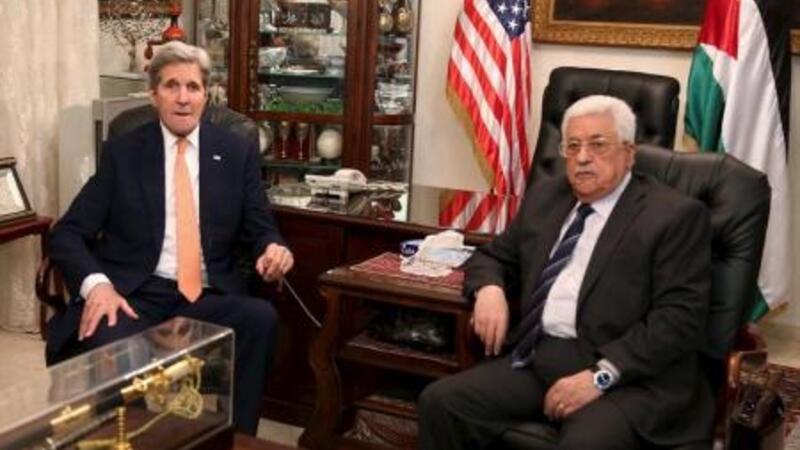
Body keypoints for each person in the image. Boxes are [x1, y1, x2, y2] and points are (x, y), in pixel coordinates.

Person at [418, 95, 714, 449]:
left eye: (598, 145)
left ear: (629, 153)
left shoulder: (673, 216)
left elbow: (678, 320)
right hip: (540, 357)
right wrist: (490, 290)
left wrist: (601, 376)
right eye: (572, 146)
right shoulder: (547, 197)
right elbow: (492, 257)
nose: (583, 157)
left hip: (629, 377)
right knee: (441, 402)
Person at [46, 41, 293, 435]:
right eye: (171, 86)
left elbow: (260, 224)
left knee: (259, 319)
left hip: (207, 295)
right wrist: (98, 286)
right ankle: (133, 439)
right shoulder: (123, 152)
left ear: (206, 94)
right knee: (108, 340)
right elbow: (68, 232)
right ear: (153, 95)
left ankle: (237, 440)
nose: (183, 98)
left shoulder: (235, 151)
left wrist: (272, 248)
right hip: (134, 296)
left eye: (193, 87)